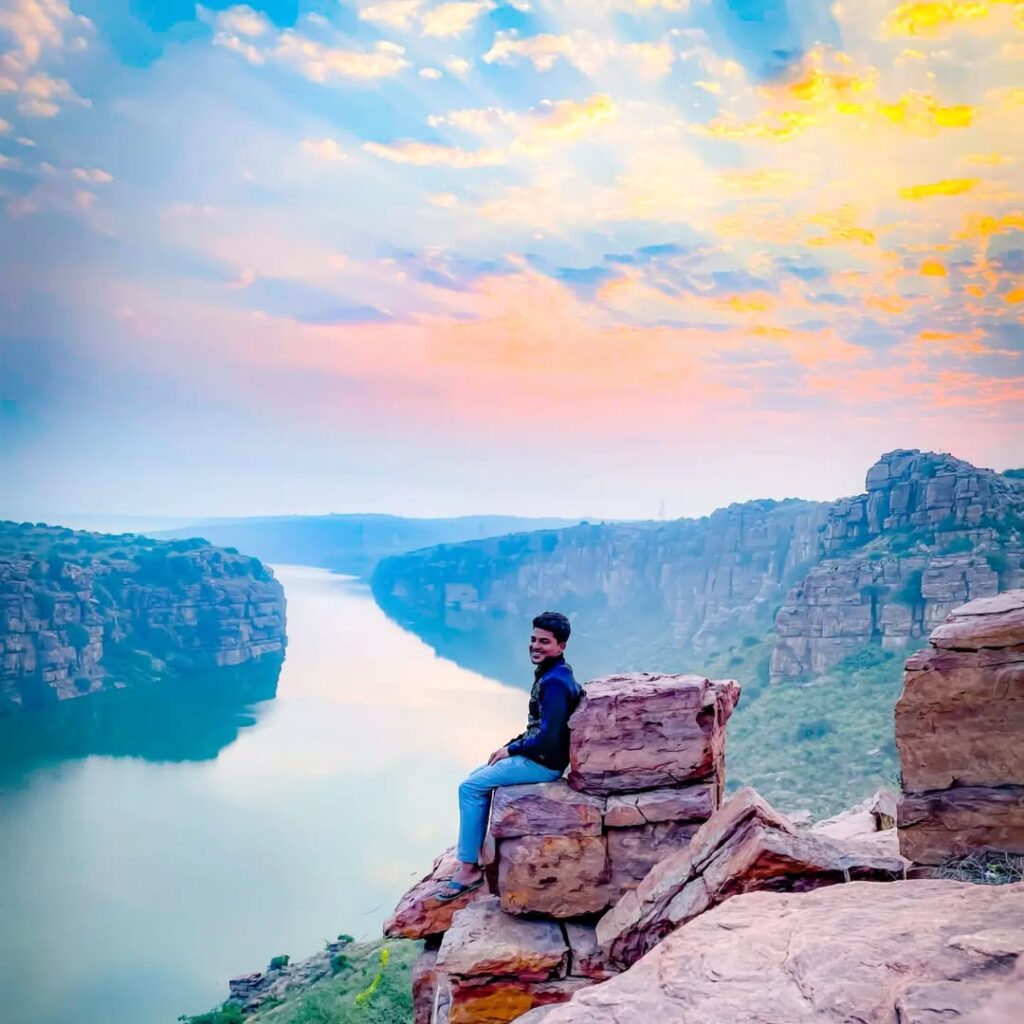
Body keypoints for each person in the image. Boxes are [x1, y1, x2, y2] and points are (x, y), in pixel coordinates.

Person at [434, 610, 582, 902]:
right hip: (539, 756)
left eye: (544, 641)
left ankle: (468, 871)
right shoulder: (554, 673)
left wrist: (512, 750)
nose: (536, 646)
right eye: (533, 639)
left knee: (469, 787)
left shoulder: (553, 683)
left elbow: (548, 735)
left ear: (560, 646)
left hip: (543, 763)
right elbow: (538, 727)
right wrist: (507, 746)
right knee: (478, 776)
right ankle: (475, 851)